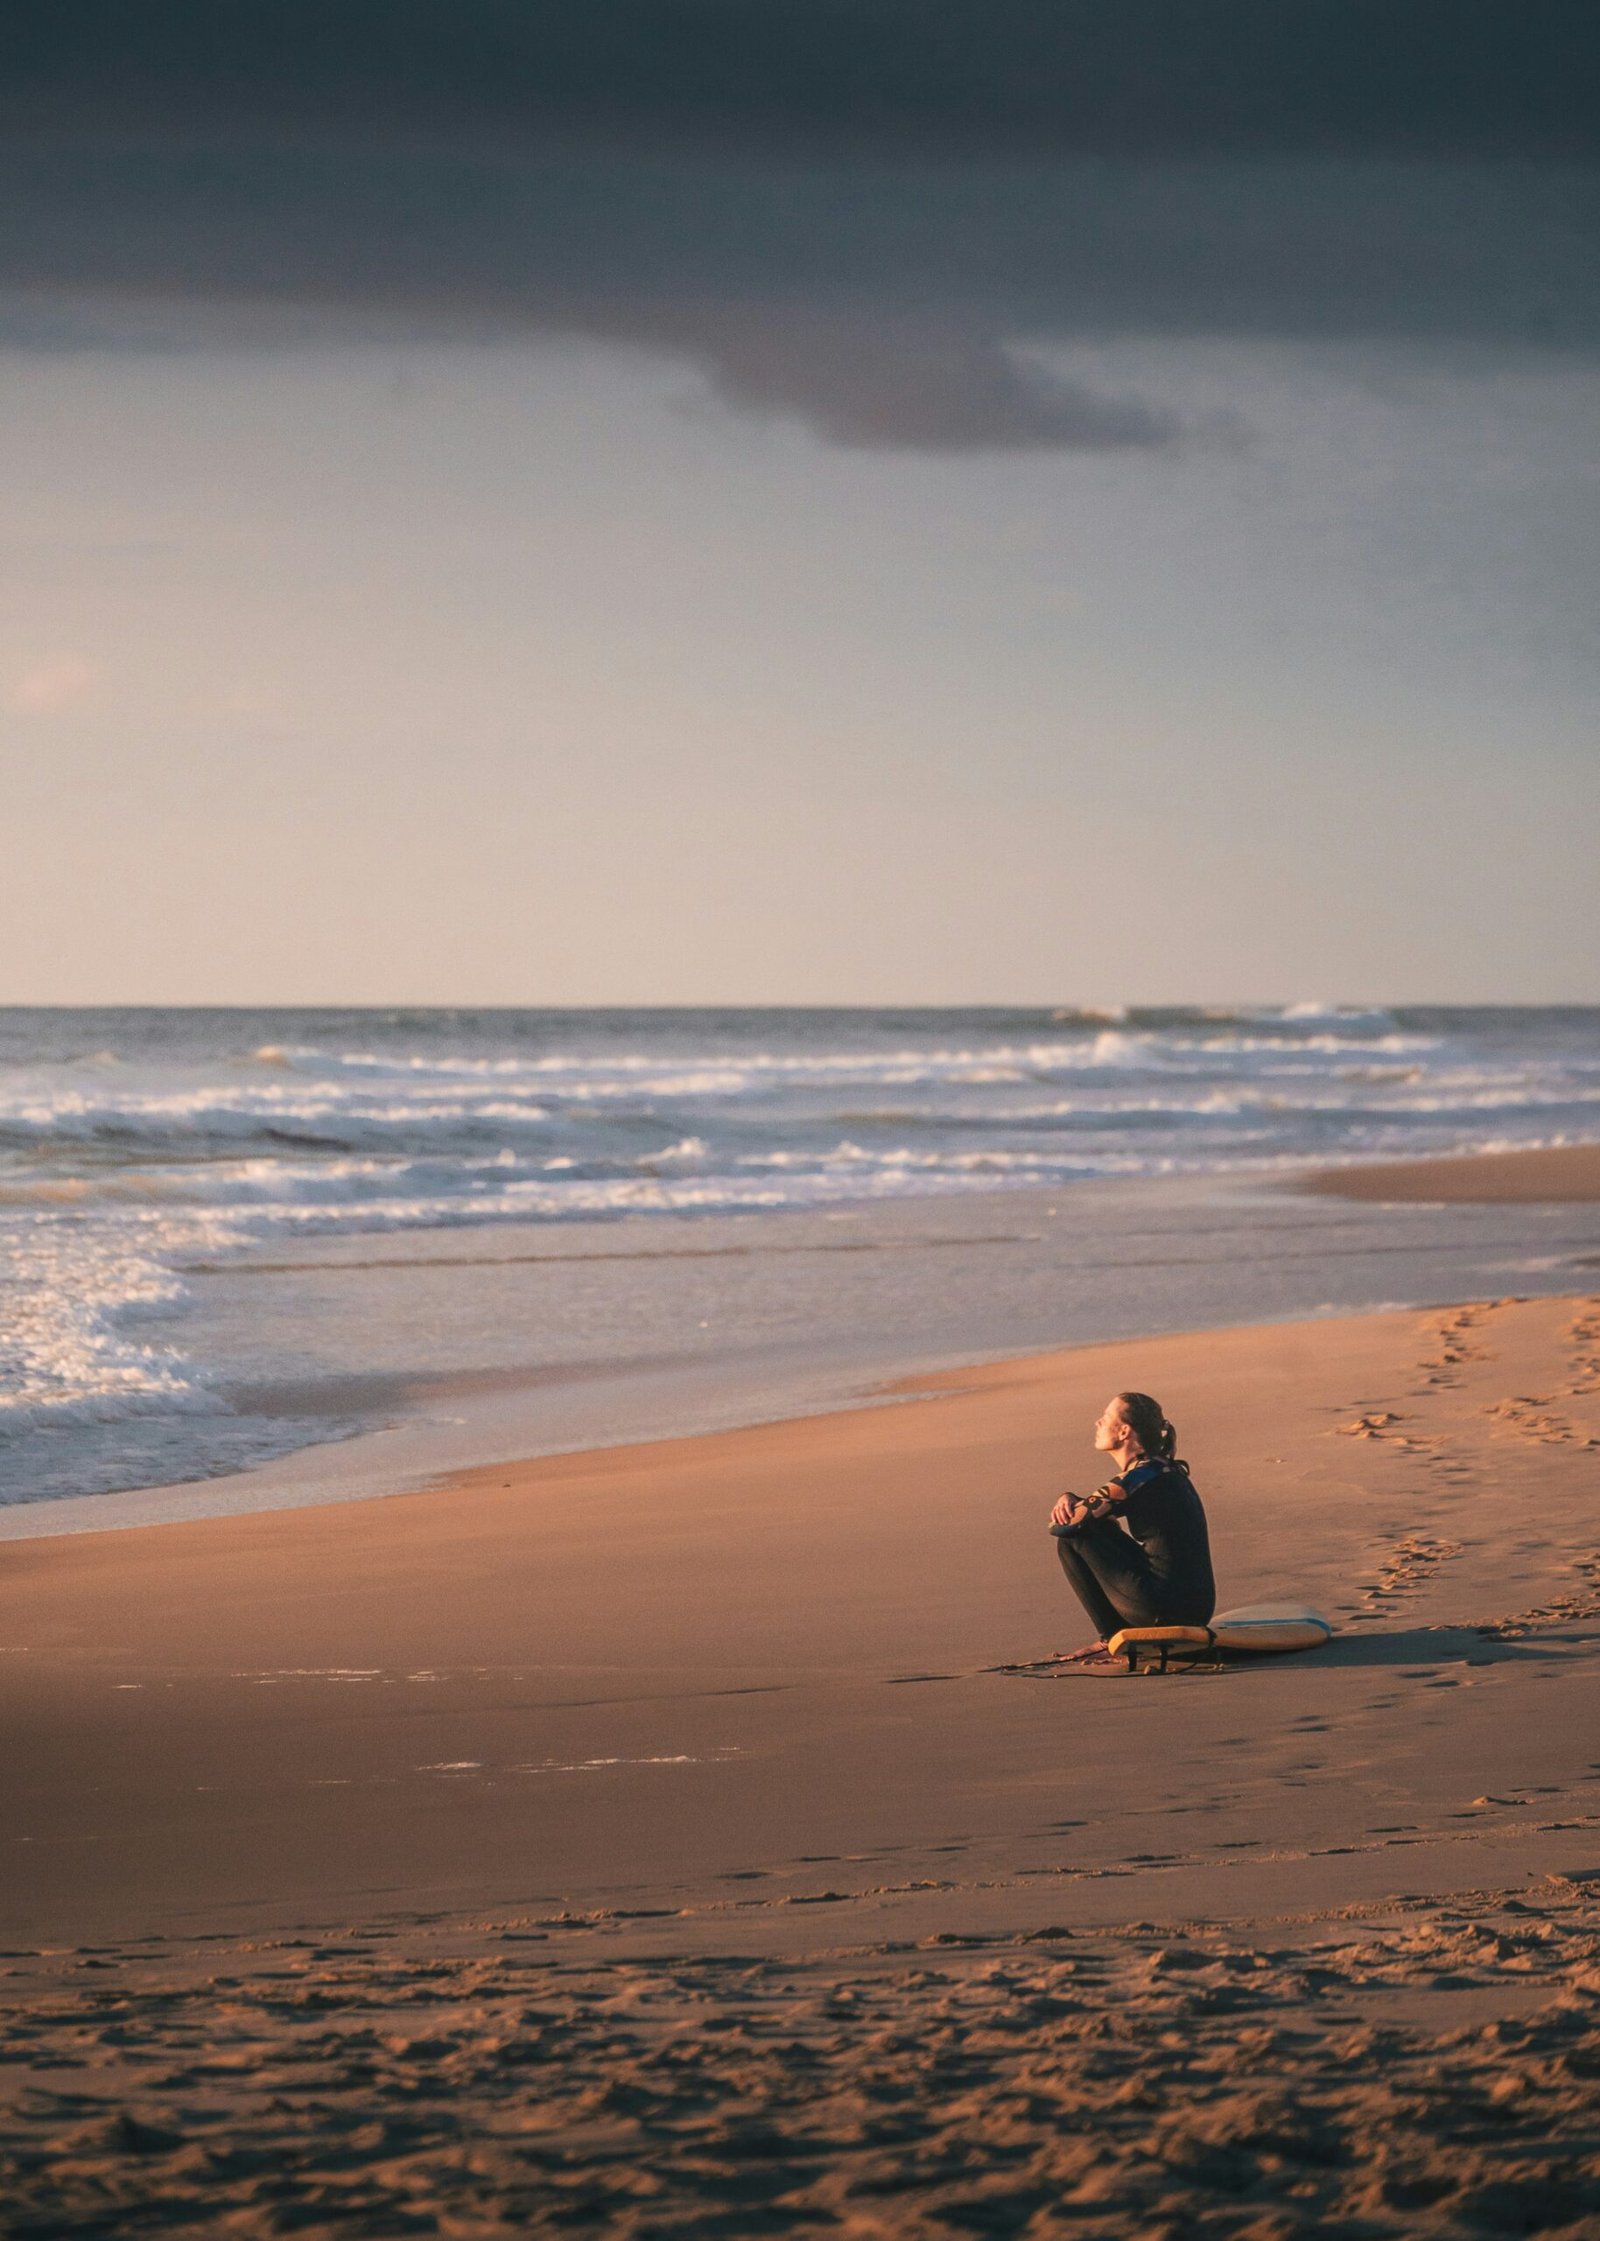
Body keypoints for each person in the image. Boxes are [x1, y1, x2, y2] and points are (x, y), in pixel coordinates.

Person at [1048, 1391, 1215, 1666]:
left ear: (1124, 1431)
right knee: (1093, 1529)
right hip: (1195, 1605)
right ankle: (1116, 1638)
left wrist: (1067, 1498)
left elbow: (1064, 1527)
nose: (1097, 1423)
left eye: (1105, 1418)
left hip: (1166, 1608)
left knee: (1074, 1539)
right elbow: (1091, 1514)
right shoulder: (1161, 1470)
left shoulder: (1138, 1477)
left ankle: (1111, 1639)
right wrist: (1081, 1505)